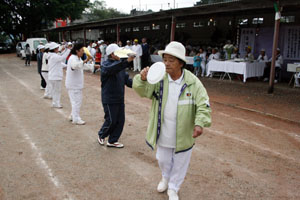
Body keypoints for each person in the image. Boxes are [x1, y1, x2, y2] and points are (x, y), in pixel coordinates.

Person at [133, 41, 211, 200]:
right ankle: (165, 178)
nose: (166, 63)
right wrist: (142, 79)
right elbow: (143, 92)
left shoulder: (193, 82)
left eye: (171, 60)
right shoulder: (159, 79)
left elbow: (203, 103)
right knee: (163, 159)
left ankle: (174, 187)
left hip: (184, 131)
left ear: (181, 63)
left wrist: (199, 123)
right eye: (165, 59)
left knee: (181, 161)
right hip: (163, 129)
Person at [97, 43, 135, 148]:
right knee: (111, 120)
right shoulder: (106, 65)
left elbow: (128, 82)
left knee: (120, 120)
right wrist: (126, 61)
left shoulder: (120, 66)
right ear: (112, 54)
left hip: (119, 98)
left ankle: (113, 140)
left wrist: (141, 81)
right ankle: (102, 134)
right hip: (109, 98)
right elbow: (112, 69)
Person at [65, 43, 91, 125]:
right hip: (74, 85)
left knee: (75, 101)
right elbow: (75, 66)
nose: (83, 52)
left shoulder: (77, 58)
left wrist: (93, 66)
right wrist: (86, 60)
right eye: (82, 50)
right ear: (77, 51)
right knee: (76, 102)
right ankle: (76, 119)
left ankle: (73, 115)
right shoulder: (73, 58)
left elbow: (83, 66)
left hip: (75, 84)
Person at [48, 42, 71, 108]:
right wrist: (68, 50)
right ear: (54, 49)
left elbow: (59, 63)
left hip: (52, 76)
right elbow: (62, 57)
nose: (58, 49)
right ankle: (56, 103)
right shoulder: (54, 56)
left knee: (55, 91)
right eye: (57, 48)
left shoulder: (52, 56)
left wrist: (66, 66)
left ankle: (55, 102)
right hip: (55, 76)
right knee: (57, 91)